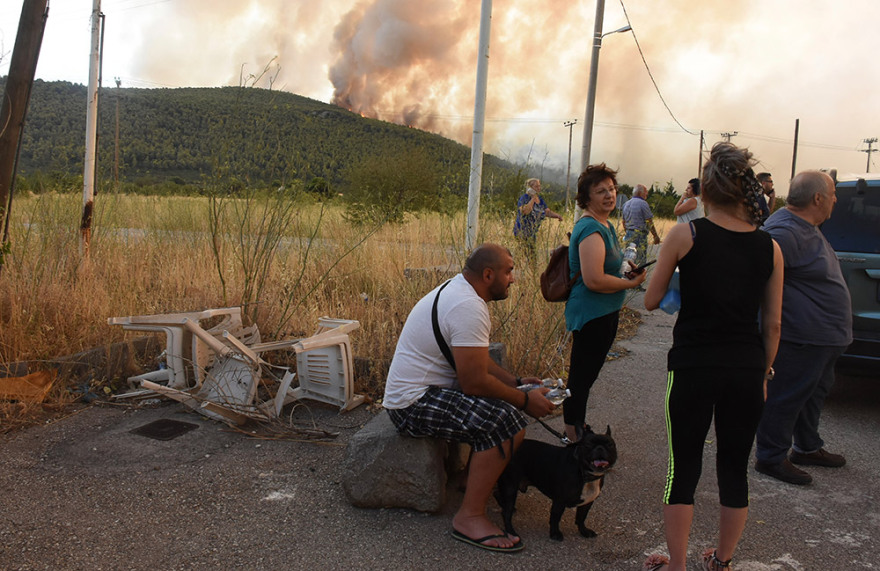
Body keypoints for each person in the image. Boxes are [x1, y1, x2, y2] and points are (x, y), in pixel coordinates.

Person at [642, 142, 783, 571]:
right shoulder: (770, 247)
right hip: (745, 368)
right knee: (734, 467)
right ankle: (722, 560)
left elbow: (651, 299)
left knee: (681, 467)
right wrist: (765, 370)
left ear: (704, 189)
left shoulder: (686, 234)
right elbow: (773, 324)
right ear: (745, 190)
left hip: (693, 365)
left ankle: (678, 563)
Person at [383, 243, 556, 553]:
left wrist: (516, 383)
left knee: (505, 409)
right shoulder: (468, 306)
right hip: (411, 404)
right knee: (507, 423)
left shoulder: (461, 291)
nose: (512, 279)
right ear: (488, 275)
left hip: (420, 393)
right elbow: (474, 382)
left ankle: (468, 479)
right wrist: (526, 401)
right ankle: (469, 516)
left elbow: (475, 360)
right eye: (509, 272)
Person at [754, 171, 852, 485]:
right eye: (833, 193)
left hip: (821, 339)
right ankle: (770, 457)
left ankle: (807, 447)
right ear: (818, 198)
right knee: (786, 396)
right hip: (800, 338)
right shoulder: (784, 232)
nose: (836, 199)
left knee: (812, 393)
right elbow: (756, 281)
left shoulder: (804, 227)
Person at [562, 164, 647, 444]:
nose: (609, 195)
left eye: (611, 189)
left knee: (586, 376)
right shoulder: (589, 228)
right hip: (591, 314)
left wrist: (626, 273)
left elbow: (607, 271)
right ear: (586, 198)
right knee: (581, 378)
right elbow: (594, 280)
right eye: (600, 191)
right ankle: (573, 436)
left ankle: (576, 427)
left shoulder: (605, 224)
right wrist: (631, 285)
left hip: (605, 312)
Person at [512, 178, 563, 258]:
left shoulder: (540, 200)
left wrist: (557, 216)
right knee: (530, 256)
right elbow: (526, 211)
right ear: (530, 187)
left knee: (527, 255)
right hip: (522, 231)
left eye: (539, 186)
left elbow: (546, 212)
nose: (539, 188)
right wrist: (532, 198)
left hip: (532, 232)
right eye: (536, 186)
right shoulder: (524, 198)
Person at [621, 184, 662, 264]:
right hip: (639, 235)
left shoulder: (625, 204)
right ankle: (639, 276)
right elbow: (649, 221)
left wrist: (628, 232)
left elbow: (623, 222)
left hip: (629, 234)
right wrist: (655, 236)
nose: (647, 194)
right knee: (640, 261)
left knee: (629, 260)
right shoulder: (643, 203)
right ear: (641, 193)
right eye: (646, 192)